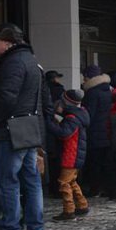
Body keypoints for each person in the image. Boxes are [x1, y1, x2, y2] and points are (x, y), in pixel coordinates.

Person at [0, 23, 45, 230]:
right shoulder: (32, 61)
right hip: (29, 127)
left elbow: (6, 98)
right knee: (32, 180)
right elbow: (38, 101)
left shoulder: (13, 62)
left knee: (7, 182)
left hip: (11, 129)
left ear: (7, 42)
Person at [46, 89, 90, 220]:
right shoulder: (80, 115)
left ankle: (68, 210)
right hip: (75, 155)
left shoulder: (72, 119)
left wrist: (50, 123)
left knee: (63, 182)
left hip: (71, 155)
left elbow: (63, 134)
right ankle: (82, 205)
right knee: (71, 181)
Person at [82, 64, 113, 197]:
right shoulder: (107, 90)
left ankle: (95, 188)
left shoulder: (92, 92)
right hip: (107, 131)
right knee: (106, 162)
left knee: (94, 162)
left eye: (85, 77)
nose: (83, 80)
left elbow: (89, 114)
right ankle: (107, 188)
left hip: (95, 132)